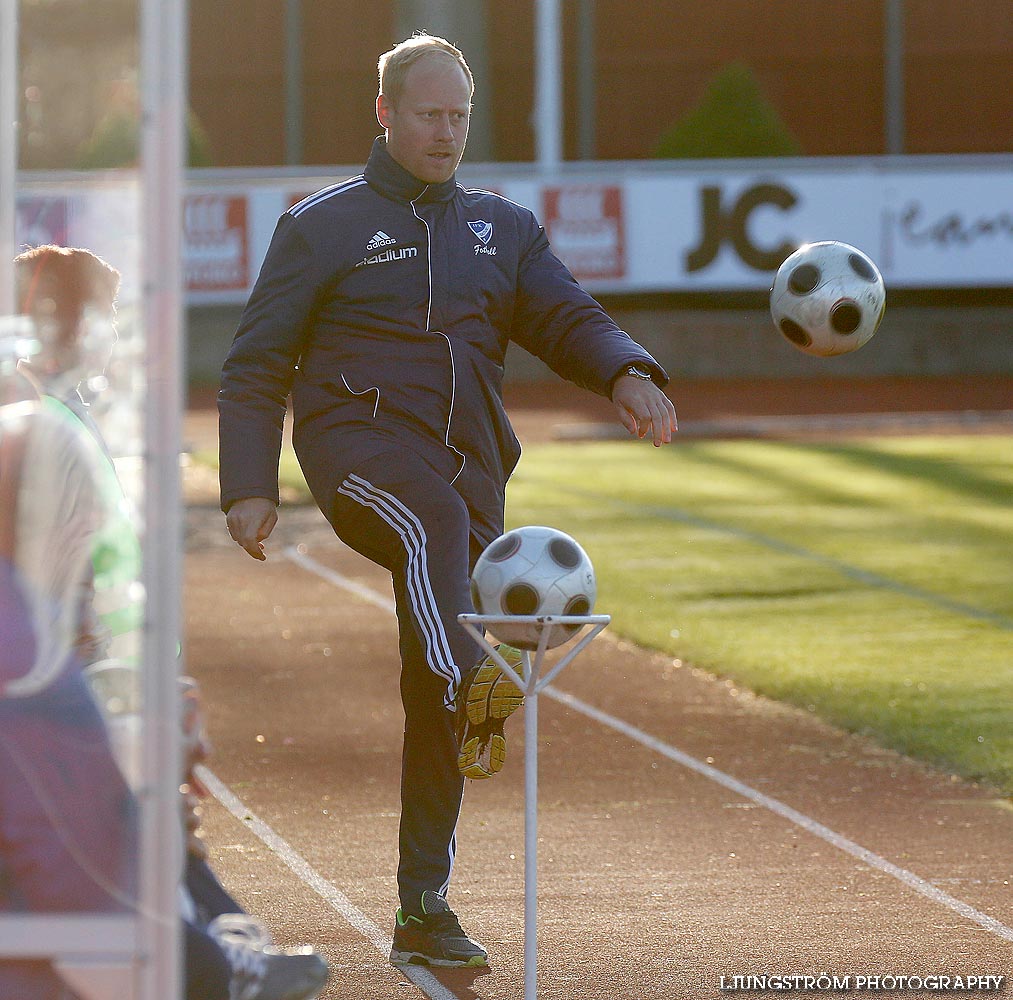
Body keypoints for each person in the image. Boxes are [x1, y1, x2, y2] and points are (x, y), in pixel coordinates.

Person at [218, 33, 677, 968]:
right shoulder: (321, 224)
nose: (446, 131)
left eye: (459, 115)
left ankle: (422, 905)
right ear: (384, 114)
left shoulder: (502, 228)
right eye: (428, 114)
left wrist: (626, 370)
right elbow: (256, 362)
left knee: (433, 697)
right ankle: (470, 675)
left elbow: (563, 314)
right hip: (356, 451)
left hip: (471, 472)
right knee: (429, 541)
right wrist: (248, 487)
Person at [12, 244, 329, 1000]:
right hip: (41, 652)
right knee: (113, 813)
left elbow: (106, 541)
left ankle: (213, 936)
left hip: (73, 640)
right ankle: (208, 958)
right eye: (98, 316)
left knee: (140, 804)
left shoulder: (77, 402)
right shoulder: (25, 410)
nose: (108, 333)